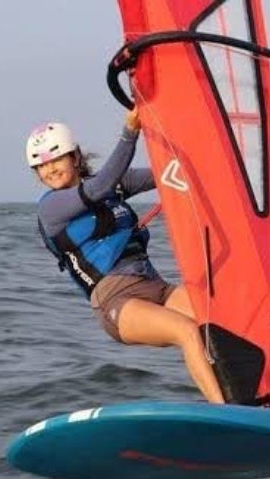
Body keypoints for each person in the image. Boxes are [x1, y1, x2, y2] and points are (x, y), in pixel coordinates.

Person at [30, 109, 225, 404]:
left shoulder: (110, 186)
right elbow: (99, 187)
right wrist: (130, 132)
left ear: (75, 157)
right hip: (116, 300)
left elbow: (165, 173)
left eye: (56, 159)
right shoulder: (52, 208)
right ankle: (224, 410)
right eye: (41, 166)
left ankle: (263, 400)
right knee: (186, 331)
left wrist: (211, 151)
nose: (50, 170)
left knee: (221, 321)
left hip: (155, 285)